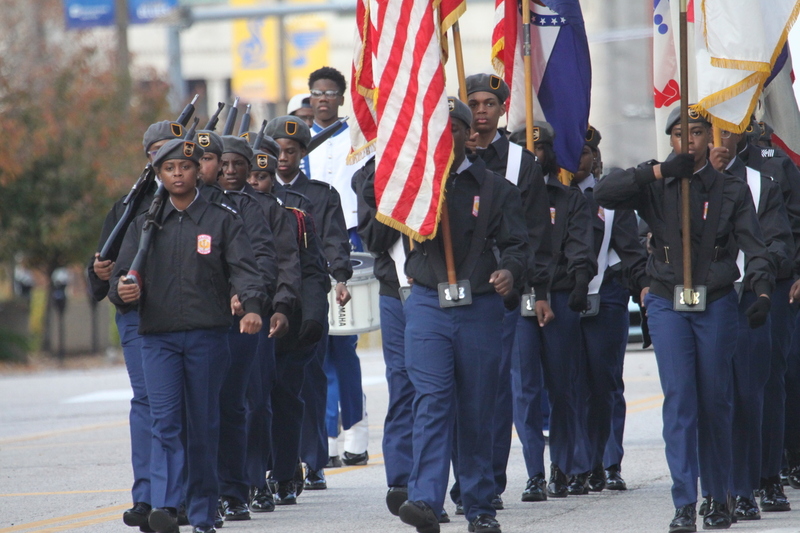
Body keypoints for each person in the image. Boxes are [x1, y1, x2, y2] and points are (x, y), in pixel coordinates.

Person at [593, 105, 775, 532]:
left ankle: (716, 497)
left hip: (713, 302)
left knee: (716, 401)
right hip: (666, 301)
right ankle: (683, 502)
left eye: (697, 133)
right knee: (680, 402)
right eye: (680, 134)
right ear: (670, 140)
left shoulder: (731, 189)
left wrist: (763, 290)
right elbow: (603, 194)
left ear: (711, 139)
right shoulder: (656, 183)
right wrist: (655, 173)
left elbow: (756, 244)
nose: (688, 141)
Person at [108, 137, 267, 533]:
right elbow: (121, 275)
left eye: (185, 167)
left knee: (203, 424)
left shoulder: (221, 217)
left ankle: (201, 514)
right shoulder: (146, 220)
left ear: (199, 172)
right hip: (157, 337)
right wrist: (122, 290)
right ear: (159, 174)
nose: (177, 174)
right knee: (164, 422)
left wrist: (250, 306)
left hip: (207, 337)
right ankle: (165, 506)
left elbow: (245, 269)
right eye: (169, 169)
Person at [397, 97, 528, 533]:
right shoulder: (412, 187)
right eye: (436, 127)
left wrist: (510, 272)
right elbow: (377, 225)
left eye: (453, 127)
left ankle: (479, 504)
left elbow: (517, 245)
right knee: (432, 401)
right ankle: (426, 501)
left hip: (478, 308)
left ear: (469, 134)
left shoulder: (493, 187)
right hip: (428, 306)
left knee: (475, 407)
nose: (445, 135)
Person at [457, 73, 553, 510]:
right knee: (449, 391)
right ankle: (458, 478)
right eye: (473, 103)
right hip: (450, 289)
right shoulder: (445, 161)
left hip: (499, 292)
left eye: (489, 104)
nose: (480, 111)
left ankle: (486, 481)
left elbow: (533, 235)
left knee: (493, 392)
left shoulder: (521, 163)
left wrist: (526, 282)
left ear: (502, 109)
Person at [88, 120, 185, 532]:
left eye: (175, 154)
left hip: (187, 318)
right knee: (148, 403)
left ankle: (183, 494)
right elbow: (98, 277)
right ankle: (147, 498)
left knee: (182, 408)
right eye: (157, 153)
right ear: (149, 160)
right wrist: (100, 274)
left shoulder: (202, 203)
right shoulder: (128, 206)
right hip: (136, 318)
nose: (166, 162)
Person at [709, 123, 794, 517]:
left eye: (724, 131)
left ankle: (764, 477)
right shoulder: (680, 181)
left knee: (757, 386)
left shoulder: (766, 180)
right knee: (709, 393)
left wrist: (762, 269)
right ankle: (719, 483)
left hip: (754, 295)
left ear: (741, 133)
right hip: (705, 299)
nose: (714, 140)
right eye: (700, 133)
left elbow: (780, 238)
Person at [509, 121, 597, 500]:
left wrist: (579, 281)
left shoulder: (569, 198)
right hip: (516, 301)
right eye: (524, 149)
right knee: (524, 390)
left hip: (559, 299)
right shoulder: (501, 194)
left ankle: (562, 466)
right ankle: (534, 472)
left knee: (562, 387)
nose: (532, 156)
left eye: (539, 148)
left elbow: (581, 246)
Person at [266, 115, 353, 495]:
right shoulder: (259, 192)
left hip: (309, 301)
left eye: (291, 151)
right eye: (276, 152)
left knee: (312, 383)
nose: (283, 159)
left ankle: (313, 461)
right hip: (271, 301)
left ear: (303, 153)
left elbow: (334, 241)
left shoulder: (320, 194)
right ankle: (276, 464)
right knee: (271, 387)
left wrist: (341, 278)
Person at [569, 126, 648, 495]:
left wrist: (643, 287)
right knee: (572, 385)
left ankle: (610, 462)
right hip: (563, 300)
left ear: (595, 158)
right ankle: (580, 464)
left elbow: (631, 251)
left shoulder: (611, 199)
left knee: (605, 384)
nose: (577, 160)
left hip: (607, 298)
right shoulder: (554, 196)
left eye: (583, 153)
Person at [304, 66, 371, 469]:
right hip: (308, 243)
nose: (323, 98)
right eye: (316, 92)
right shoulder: (296, 140)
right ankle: (326, 436)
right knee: (319, 344)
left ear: (342, 98)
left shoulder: (358, 138)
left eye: (330, 92)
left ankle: (356, 434)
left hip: (349, 239)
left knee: (345, 344)